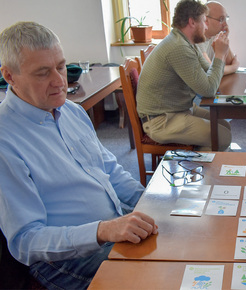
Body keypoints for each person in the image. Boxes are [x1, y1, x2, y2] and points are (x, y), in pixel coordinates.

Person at [0, 22, 157, 289]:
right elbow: (26, 242)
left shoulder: (71, 111)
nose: (60, 81)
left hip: (111, 224)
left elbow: (110, 171)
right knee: (157, 277)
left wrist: (151, 202)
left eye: (61, 66)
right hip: (62, 260)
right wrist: (102, 230)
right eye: (42, 73)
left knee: (181, 238)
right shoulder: (6, 139)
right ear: (9, 76)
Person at [137, 0, 232, 151]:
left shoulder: (187, 42)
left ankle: (201, 162)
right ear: (192, 22)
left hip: (177, 110)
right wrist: (220, 55)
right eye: (203, 21)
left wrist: (220, 54)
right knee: (223, 136)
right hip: (161, 121)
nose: (206, 26)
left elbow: (209, 71)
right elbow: (208, 90)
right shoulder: (179, 47)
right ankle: (197, 171)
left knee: (224, 125)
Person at [198, 1, 240, 75]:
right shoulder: (197, 38)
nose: (225, 24)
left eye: (226, 19)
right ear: (205, 20)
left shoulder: (214, 35)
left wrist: (224, 37)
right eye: (221, 19)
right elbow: (211, 70)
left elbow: (229, 63)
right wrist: (234, 67)